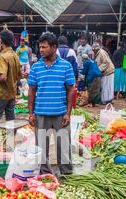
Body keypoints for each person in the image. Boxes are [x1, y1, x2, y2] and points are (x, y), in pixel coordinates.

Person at [28, 32, 75, 177]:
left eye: (44, 47)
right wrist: (31, 113)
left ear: (54, 47)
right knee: (41, 147)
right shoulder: (36, 67)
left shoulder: (66, 66)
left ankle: (66, 174)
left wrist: (68, 112)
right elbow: (31, 90)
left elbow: (70, 90)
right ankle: (45, 174)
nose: (41, 50)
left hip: (61, 114)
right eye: (40, 47)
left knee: (64, 146)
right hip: (41, 113)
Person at [0, 30, 21, 133]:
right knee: (10, 119)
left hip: (3, 93)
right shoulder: (15, 55)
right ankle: (11, 143)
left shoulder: (3, 57)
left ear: (1, 41)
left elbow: (2, 77)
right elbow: (20, 75)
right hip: (12, 91)